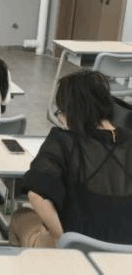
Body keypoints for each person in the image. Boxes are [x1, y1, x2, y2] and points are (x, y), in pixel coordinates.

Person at [10, 70, 132, 247]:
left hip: (78, 248)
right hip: (126, 253)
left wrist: (62, 240)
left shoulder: (64, 141)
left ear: (70, 111)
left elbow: (37, 195)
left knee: (21, 216)